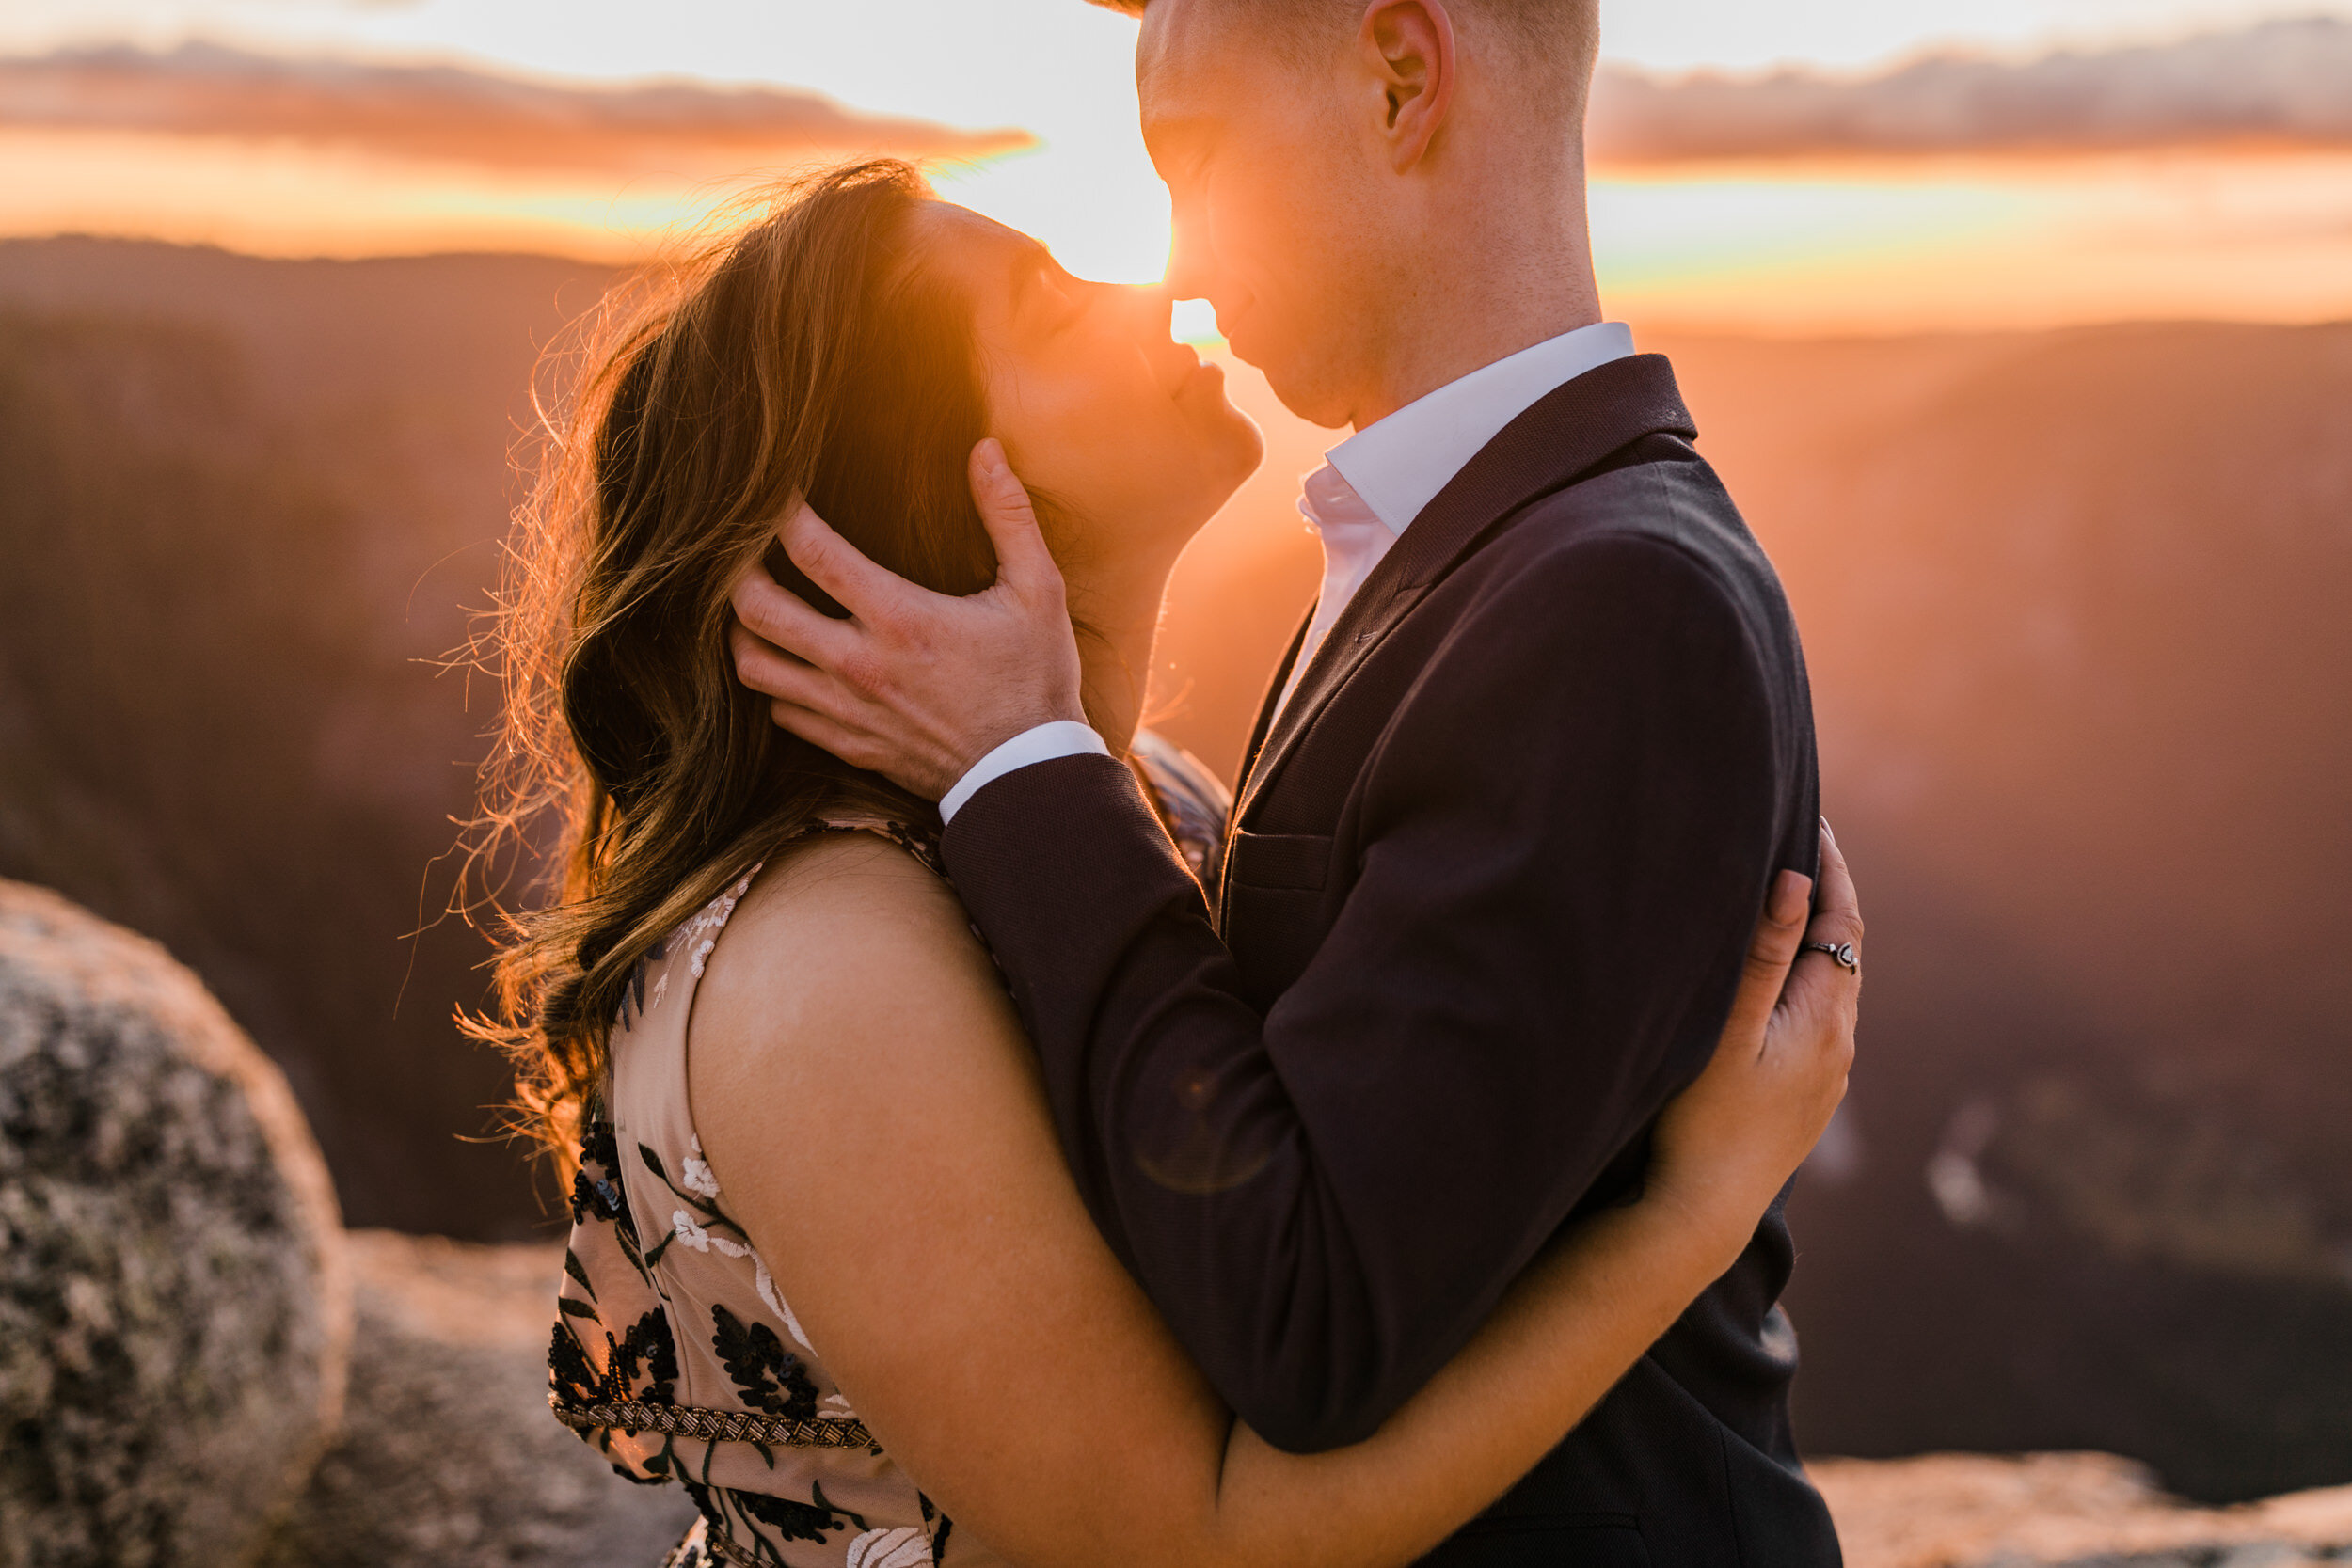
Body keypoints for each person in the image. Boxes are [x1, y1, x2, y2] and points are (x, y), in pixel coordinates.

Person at [485, 162, 1861, 1567]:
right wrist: (1690, 1215)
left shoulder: (1148, 808)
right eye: (1045, 302)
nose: (1146, 285)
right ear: (938, 474)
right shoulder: (828, 965)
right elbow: (1192, 1543)